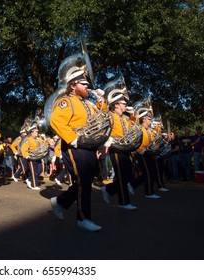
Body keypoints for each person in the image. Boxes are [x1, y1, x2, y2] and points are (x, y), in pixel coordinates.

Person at [49, 67, 105, 232]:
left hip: (88, 147)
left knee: (85, 181)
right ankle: (83, 218)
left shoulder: (87, 104)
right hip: (74, 146)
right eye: (83, 84)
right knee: (83, 181)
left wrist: (102, 101)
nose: (87, 86)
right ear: (73, 85)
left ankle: (60, 202)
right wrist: (72, 138)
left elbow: (102, 118)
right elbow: (55, 120)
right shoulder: (66, 101)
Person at [101, 93, 137, 210]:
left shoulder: (125, 118)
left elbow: (134, 126)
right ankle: (123, 202)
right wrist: (108, 139)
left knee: (127, 175)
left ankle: (108, 189)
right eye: (124, 103)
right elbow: (102, 125)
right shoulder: (111, 116)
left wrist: (133, 115)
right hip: (116, 148)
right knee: (122, 176)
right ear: (116, 104)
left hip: (125, 148)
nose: (126, 105)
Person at [132, 110, 160, 198]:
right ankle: (148, 193)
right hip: (141, 154)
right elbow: (136, 142)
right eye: (149, 119)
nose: (150, 121)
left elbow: (153, 142)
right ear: (144, 119)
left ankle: (132, 185)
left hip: (149, 153)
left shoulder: (150, 131)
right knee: (148, 173)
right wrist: (141, 150)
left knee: (150, 173)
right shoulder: (139, 128)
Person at [21, 123, 46, 190]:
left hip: (38, 157)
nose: (37, 132)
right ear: (32, 132)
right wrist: (26, 155)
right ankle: (34, 185)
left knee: (40, 170)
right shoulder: (28, 139)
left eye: (37, 131)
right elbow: (23, 148)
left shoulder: (38, 139)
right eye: (36, 132)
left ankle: (29, 179)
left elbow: (43, 145)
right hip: (32, 158)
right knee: (34, 171)